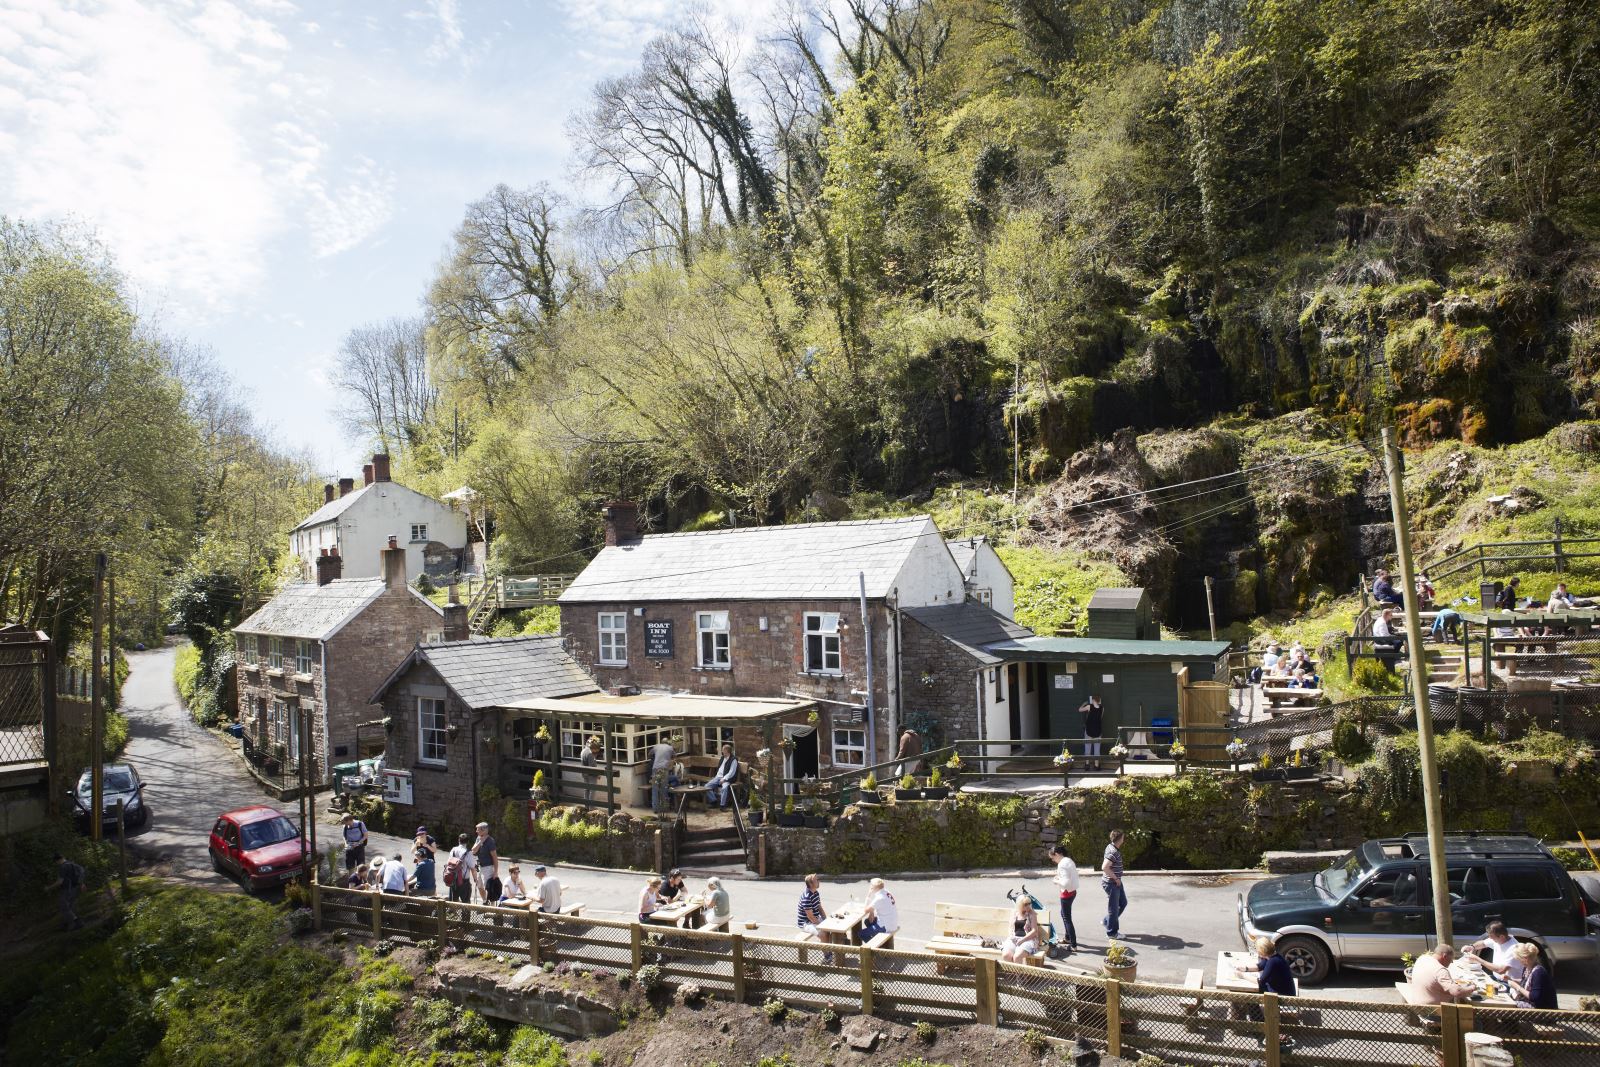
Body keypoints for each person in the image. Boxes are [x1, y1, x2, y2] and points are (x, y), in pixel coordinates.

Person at [1408, 944, 1473, 1004]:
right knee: (1466, 1008)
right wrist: (1471, 988)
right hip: (1433, 1010)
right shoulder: (1441, 970)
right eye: (1450, 960)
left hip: (1416, 1002)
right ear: (1444, 956)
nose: (1450, 963)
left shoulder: (1422, 958)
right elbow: (1457, 992)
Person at [1506, 942, 1556, 1009]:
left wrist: (1517, 987)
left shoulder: (1538, 972)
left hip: (1542, 1009)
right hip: (1532, 1004)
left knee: (1508, 1006)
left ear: (1525, 959)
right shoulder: (1527, 968)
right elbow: (1527, 981)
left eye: (1519, 959)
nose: (1519, 962)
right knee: (1506, 1000)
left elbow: (1534, 997)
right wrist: (1512, 980)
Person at [1049, 843, 1079, 952]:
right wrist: (1060, 877)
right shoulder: (1068, 860)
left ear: (1057, 854)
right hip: (1072, 891)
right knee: (1064, 914)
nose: (1053, 860)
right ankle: (1067, 938)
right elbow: (1069, 877)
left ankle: (1073, 945)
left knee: (1067, 918)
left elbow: (1065, 883)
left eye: (1052, 858)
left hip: (1066, 893)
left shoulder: (1062, 864)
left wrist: (1056, 880)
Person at [47, 853, 85, 930]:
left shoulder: (63, 867)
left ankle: (77, 922)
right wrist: (82, 884)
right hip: (75, 888)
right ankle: (69, 923)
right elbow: (81, 872)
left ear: (58, 860)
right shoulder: (73, 864)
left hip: (67, 889)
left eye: (56, 862)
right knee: (70, 906)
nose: (56, 864)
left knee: (64, 906)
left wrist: (49, 888)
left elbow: (60, 882)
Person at [1000, 897, 1043, 963]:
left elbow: (1034, 931)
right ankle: (1013, 972)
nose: (1028, 906)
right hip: (1014, 938)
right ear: (1020, 905)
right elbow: (1010, 928)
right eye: (1025, 904)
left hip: (1028, 939)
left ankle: (1018, 973)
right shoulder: (1014, 913)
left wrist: (1022, 940)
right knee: (1006, 955)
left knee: (1017, 957)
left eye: (1029, 903)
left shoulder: (1032, 914)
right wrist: (1012, 937)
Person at [1101, 829, 1127, 938]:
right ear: (1120, 839)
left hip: (1115, 882)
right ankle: (1112, 933)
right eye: (1123, 837)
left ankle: (1107, 921)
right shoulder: (1113, 851)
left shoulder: (1111, 846)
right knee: (1114, 908)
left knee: (1123, 903)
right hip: (1112, 883)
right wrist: (1116, 879)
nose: (1124, 839)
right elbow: (1104, 867)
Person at [860, 877, 899, 942]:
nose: (870, 887)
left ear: (875, 887)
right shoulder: (886, 892)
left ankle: (874, 948)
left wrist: (868, 895)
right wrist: (871, 912)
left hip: (886, 927)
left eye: (871, 885)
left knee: (861, 934)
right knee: (867, 921)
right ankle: (876, 939)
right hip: (892, 923)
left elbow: (865, 910)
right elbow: (875, 906)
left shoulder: (879, 898)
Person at [706, 743, 741, 809]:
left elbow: (732, 772)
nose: (722, 751)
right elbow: (720, 769)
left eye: (723, 750)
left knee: (724, 788)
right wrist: (716, 777)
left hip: (728, 779)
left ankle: (723, 806)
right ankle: (714, 801)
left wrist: (724, 779)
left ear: (727, 751)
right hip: (718, 777)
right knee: (706, 786)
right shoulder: (722, 758)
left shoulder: (733, 760)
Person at [473, 821, 500, 903]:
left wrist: (495, 872)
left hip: (488, 867)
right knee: (480, 886)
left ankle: (492, 907)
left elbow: (495, 858)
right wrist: (480, 842)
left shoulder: (490, 841)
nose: (476, 831)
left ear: (484, 830)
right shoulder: (478, 838)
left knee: (489, 888)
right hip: (480, 867)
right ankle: (485, 901)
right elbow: (473, 851)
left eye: (478, 830)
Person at [651, 735, 677, 812]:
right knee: (663, 788)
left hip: (655, 768)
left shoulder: (656, 746)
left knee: (655, 788)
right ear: (667, 742)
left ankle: (655, 808)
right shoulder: (670, 748)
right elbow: (675, 756)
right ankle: (664, 808)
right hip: (664, 769)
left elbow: (650, 754)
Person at [446, 833, 473, 904]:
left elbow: (449, 862)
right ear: (467, 842)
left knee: (452, 903)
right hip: (464, 881)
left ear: (459, 840)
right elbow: (472, 866)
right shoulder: (468, 852)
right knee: (466, 904)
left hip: (453, 879)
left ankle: (452, 915)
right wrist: (475, 879)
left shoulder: (453, 850)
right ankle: (465, 915)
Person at [1080, 695, 1104, 768]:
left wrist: (1083, 704)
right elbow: (1101, 717)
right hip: (1098, 731)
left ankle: (1087, 764)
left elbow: (1080, 710)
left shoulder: (1089, 706)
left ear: (1093, 700)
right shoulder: (1102, 708)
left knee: (1087, 748)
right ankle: (1096, 765)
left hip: (1089, 731)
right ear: (1099, 700)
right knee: (1097, 749)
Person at [580, 735, 603, 806]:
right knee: (592, 790)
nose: (597, 752)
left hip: (584, 773)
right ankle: (591, 807)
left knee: (586, 790)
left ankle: (586, 806)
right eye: (597, 749)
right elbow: (592, 767)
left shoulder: (583, 751)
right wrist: (598, 774)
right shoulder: (590, 753)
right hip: (591, 775)